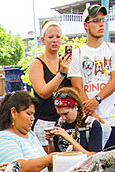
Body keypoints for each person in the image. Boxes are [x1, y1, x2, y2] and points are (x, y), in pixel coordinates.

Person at [69, 4, 115, 149]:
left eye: (103, 20)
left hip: (110, 121)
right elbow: (77, 88)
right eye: (96, 20)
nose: (101, 23)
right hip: (88, 123)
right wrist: (92, 113)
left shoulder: (114, 48)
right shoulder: (77, 54)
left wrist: (96, 99)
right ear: (86, 25)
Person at [27, 20, 72, 148]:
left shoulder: (66, 61)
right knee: (47, 162)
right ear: (43, 40)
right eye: (50, 37)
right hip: (44, 120)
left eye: (58, 37)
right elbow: (43, 92)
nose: (55, 40)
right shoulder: (37, 63)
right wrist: (61, 74)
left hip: (66, 120)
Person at [49, 87, 103, 154]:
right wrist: (50, 141)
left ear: (75, 106)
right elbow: (53, 156)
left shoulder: (91, 124)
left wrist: (69, 139)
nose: (63, 118)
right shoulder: (59, 123)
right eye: (60, 114)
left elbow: (93, 157)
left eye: (66, 113)